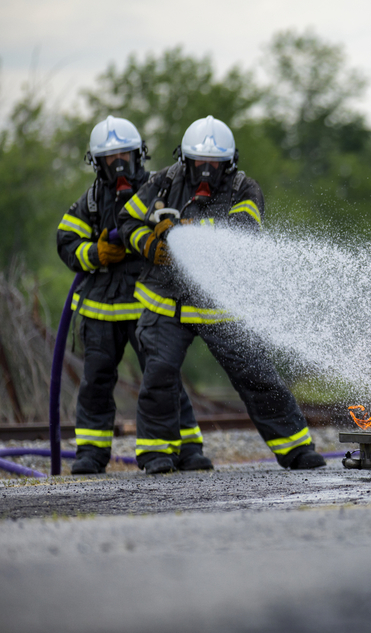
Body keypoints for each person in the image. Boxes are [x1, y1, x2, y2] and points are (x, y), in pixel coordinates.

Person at [117, 115, 326, 474]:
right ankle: (156, 454)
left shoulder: (245, 188)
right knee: (160, 373)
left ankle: (296, 450)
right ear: (185, 160)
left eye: (215, 165)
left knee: (256, 374)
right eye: (200, 163)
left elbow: (243, 229)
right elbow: (127, 220)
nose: (206, 172)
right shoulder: (163, 183)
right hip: (167, 303)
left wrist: (185, 228)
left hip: (221, 303)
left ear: (229, 163)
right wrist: (150, 245)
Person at [57, 116, 212, 475]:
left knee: (163, 376)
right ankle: (91, 454)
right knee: (95, 382)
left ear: (139, 154)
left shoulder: (158, 190)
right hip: (100, 309)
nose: (120, 165)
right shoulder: (92, 201)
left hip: (147, 304)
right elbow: (66, 241)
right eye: (111, 159)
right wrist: (94, 254)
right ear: (98, 163)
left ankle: (187, 449)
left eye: (125, 155)